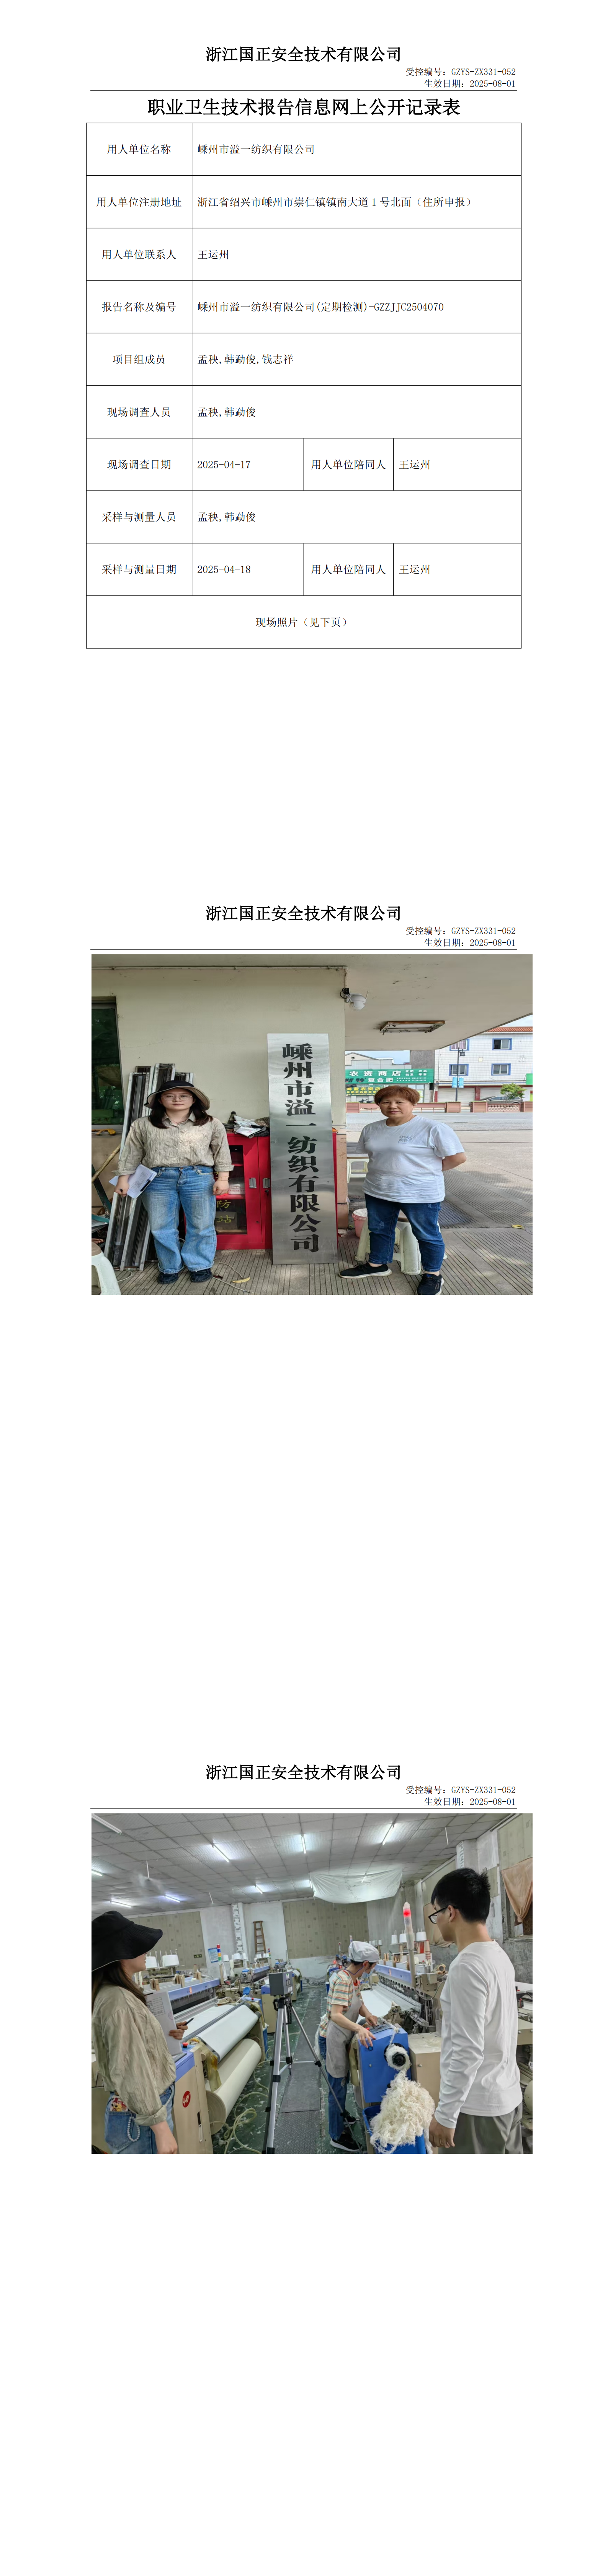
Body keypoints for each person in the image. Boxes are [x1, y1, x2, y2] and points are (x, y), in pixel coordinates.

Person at [425, 1870, 523, 2154]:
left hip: (478, 2110)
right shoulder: (499, 1956)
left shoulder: (466, 1966)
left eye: (436, 1914)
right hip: (508, 2097)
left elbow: (467, 2050)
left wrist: (446, 2114)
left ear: (451, 1912)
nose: (437, 1922)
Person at [341, 1084, 466, 1295]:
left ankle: (433, 1274)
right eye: (386, 1102)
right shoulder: (371, 1129)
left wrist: (426, 1171)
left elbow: (458, 1158)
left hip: (419, 1193)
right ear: (379, 1105)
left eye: (400, 1102)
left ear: (413, 1104)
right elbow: (375, 1156)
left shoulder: (433, 1128)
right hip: (378, 1190)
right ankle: (377, 1265)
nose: (393, 1106)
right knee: (379, 1229)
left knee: (427, 1235)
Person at [114, 1079, 232, 1281]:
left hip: (198, 1177)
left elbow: (222, 1151)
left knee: (201, 1224)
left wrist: (223, 1178)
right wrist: (123, 1179)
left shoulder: (212, 1124)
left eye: (184, 1096)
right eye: (170, 1096)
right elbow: (132, 1153)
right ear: (161, 1100)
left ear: (194, 1099)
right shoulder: (143, 1124)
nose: (177, 1099)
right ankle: (170, 1267)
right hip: (158, 1179)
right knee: (162, 1226)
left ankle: (199, 1265)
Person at [92, 1911, 179, 2154]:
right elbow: (130, 2068)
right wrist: (160, 2128)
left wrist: (164, 2035)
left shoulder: (115, 1994)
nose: (146, 1952)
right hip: (141, 2122)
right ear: (120, 1953)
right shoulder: (118, 2000)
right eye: (138, 1946)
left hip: (139, 2117)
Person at [325, 1955, 380, 2150]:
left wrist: (369, 2015)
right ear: (365, 1964)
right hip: (332, 2037)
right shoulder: (343, 1981)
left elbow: (359, 2004)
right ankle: (336, 2135)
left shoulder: (354, 1979)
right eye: (372, 1967)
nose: (372, 1971)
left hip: (343, 2035)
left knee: (343, 2080)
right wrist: (359, 2029)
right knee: (337, 2086)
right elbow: (336, 2015)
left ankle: (341, 2114)